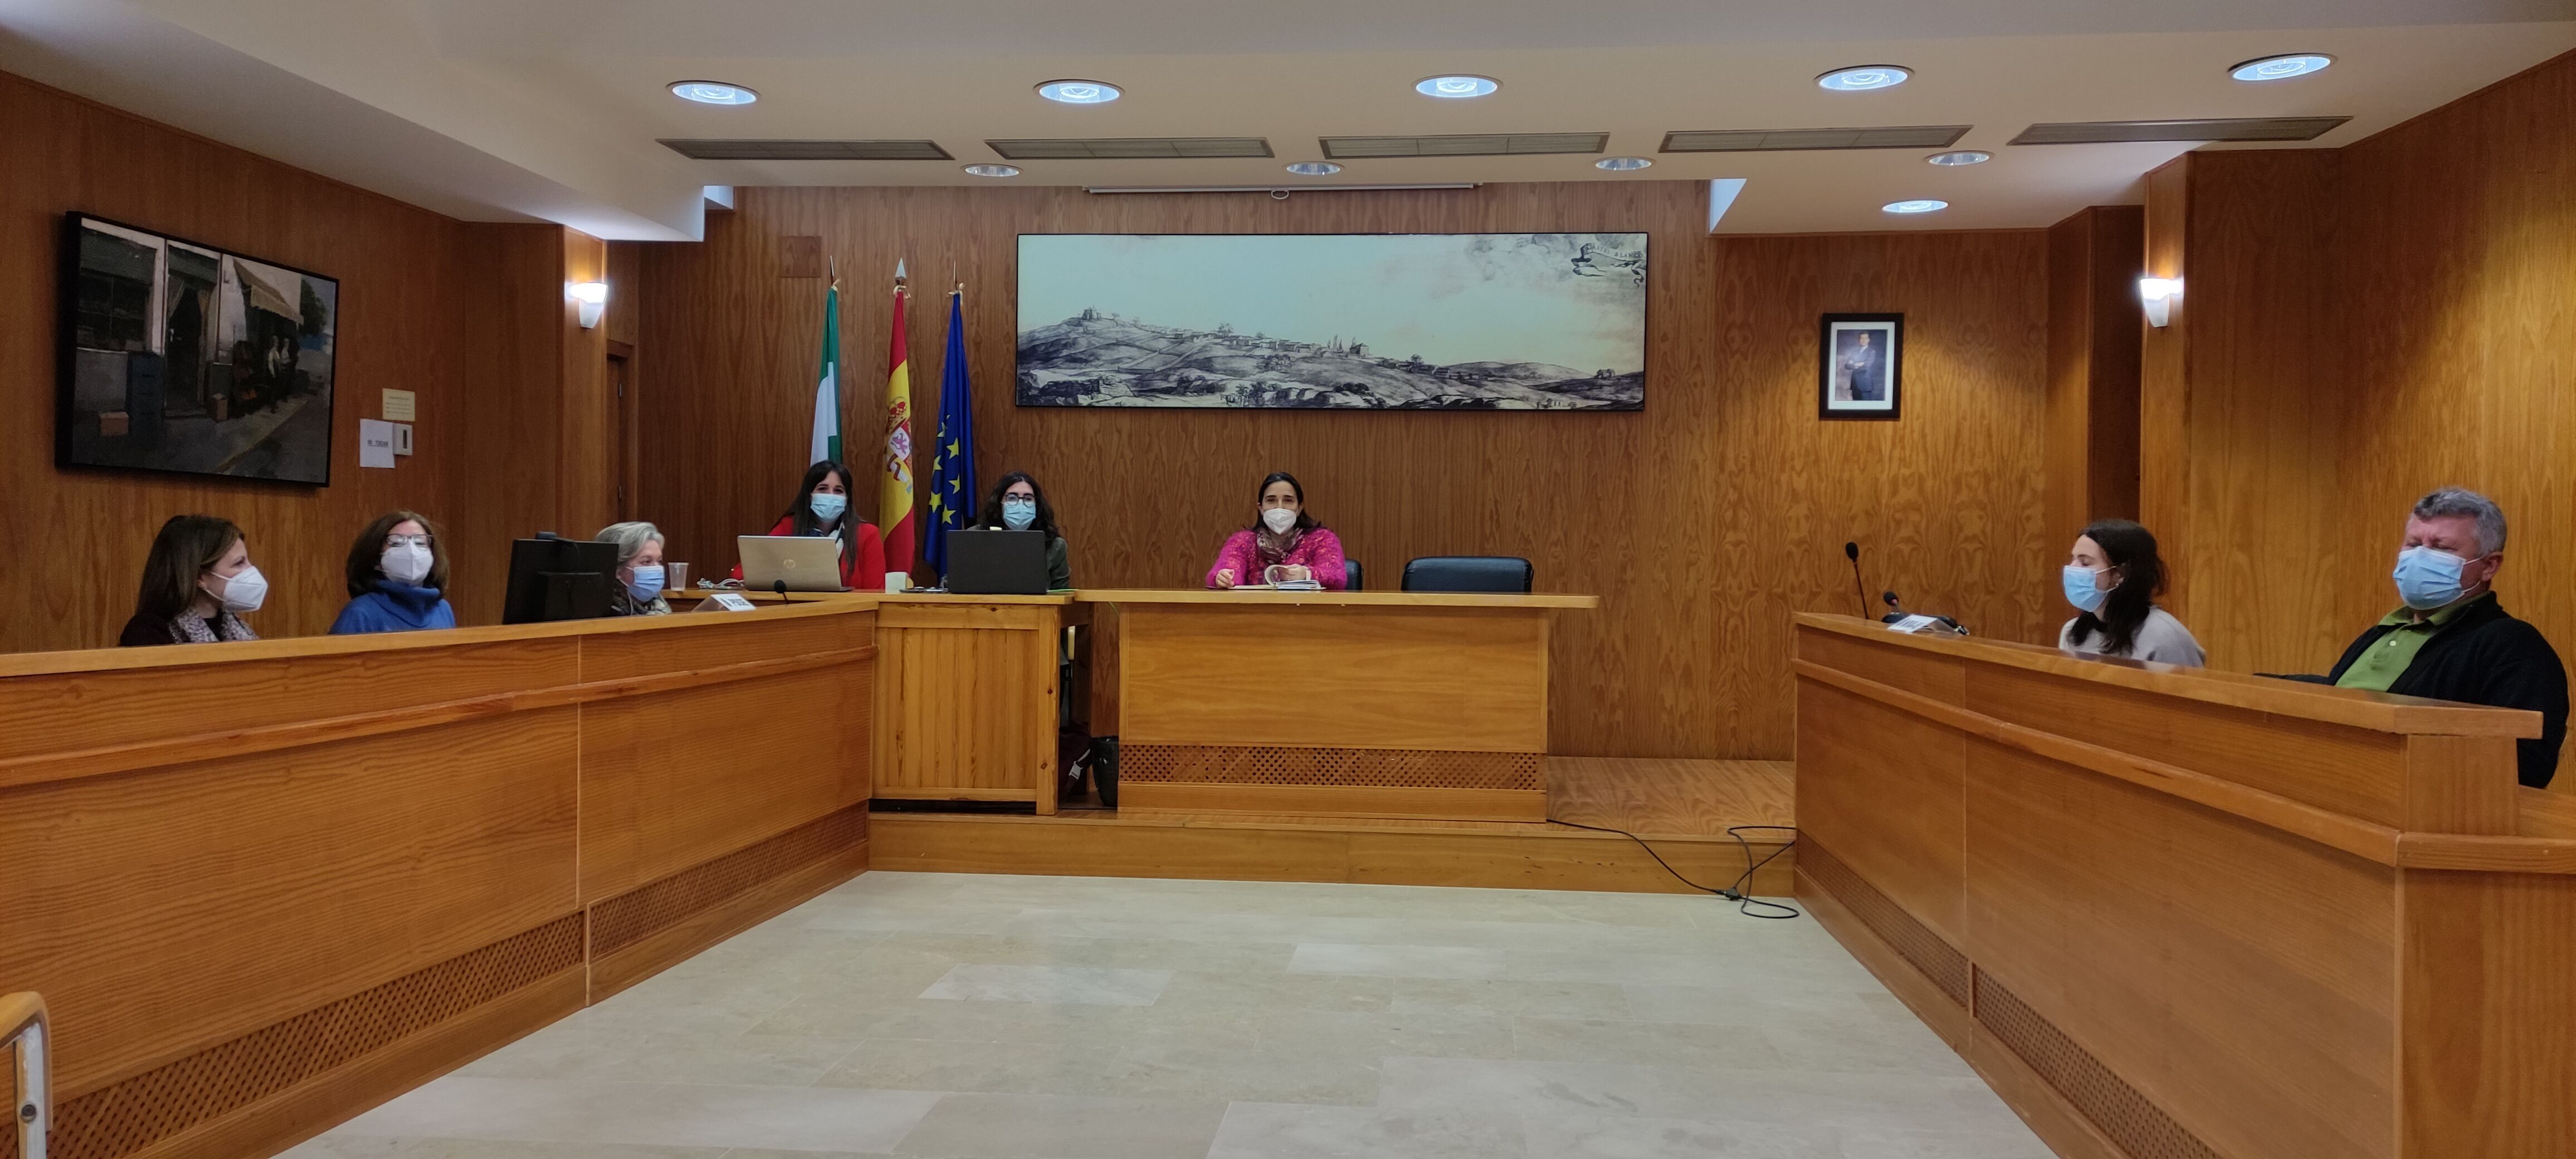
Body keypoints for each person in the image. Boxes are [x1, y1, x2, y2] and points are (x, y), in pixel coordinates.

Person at [2289, 487, 2567, 788]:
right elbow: (2345, 698)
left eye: (2441, 548)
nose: (2420, 557)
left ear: (2489, 566)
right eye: (2413, 544)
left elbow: (2526, 765)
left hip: (2407, 800)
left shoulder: (2511, 645)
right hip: (2322, 784)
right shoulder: (2384, 630)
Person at [2057, 519, 2204, 666]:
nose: (2072, 568)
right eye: (2073, 559)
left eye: (2085, 563)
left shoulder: (2165, 636)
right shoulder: (2073, 632)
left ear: (2120, 574)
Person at [731, 460, 887, 591]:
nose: (830, 496)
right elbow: (741, 573)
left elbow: (875, 592)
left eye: (838, 491)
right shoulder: (789, 527)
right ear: (810, 495)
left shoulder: (867, 534)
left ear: (847, 499)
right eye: (822, 489)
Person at [120, 514, 263, 646]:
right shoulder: (148, 632)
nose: (250, 570)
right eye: (239, 563)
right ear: (200, 577)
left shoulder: (236, 626)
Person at [1207, 471, 1346, 590]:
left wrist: (1307, 574)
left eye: (1288, 500)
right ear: (1261, 508)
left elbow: (1337, 577)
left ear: (1299, 508)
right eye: (1271, 500)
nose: (1280, 507)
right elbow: (1225, 572)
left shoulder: (1322, 539)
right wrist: (1223, 578)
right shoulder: (1242, 541)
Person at [329, 510, 457, 634]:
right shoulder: (360, 613)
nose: (411, 551)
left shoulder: (443, 610)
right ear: (376, 559)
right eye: (396, 543)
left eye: (420, 542)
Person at [970, 471, 1073, 590]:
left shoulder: (1055, 546)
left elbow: (1061, 592)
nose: (1020, 504)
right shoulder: (974, 537)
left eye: (1028, 499)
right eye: (1012, 498)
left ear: (1037, 505)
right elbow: (957, 582)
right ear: (999, 503)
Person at [598, 520, 672, 616]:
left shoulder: (659, 605)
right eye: (647, 562)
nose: (657, 568)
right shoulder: (600, 611)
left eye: (659, 561)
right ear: (617, 569)